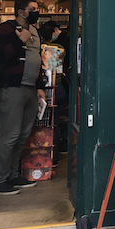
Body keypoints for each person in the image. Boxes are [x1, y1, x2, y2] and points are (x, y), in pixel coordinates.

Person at [0, 0, 46, 196]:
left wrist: (39, 86)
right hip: (10, 88)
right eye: (33, 9)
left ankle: (13, 176)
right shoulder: (7, 29)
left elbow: (36, 59)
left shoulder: (35, 32)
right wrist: (17, 40)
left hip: (30, 89)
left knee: (22, 135)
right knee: (10, 135)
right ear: (21, 12)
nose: (36, 12)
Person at [39, 21, 70, 157]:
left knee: (43, 122)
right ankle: (55, 155)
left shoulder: (40, 49)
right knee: (55, 122)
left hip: (46, 87)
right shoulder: (60, 48)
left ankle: (45, 154)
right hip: (60, 86)